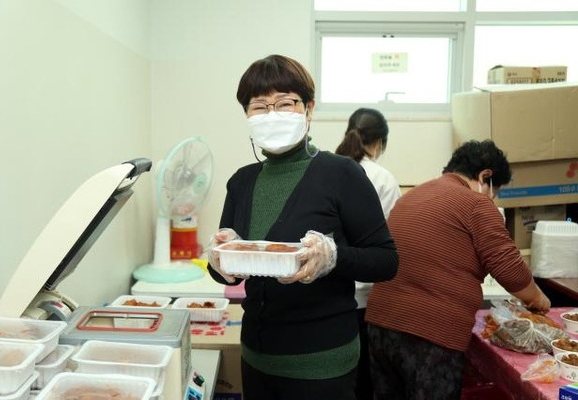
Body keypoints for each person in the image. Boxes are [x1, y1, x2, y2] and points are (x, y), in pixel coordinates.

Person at [207, 54, 399, 400]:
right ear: (247, 115)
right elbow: (224, 274)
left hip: (322, 363)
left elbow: (386, 261)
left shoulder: (341, 174)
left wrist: (333, 257)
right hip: (257, 357)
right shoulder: (241, 182)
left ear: (309, 109)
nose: (272, 115)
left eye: (285, 103)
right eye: (260, 107)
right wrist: (221, 259)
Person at [365, 139, 551, 400]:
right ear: (485, 176)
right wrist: (538, 299)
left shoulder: (414, 195)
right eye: (494, 190)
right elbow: (510, 269)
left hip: (381, 325)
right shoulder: (475, 203)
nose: (491, 198)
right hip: (429, 335)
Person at [335, 107, 401, 400]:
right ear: (380, 143)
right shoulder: (383, 179)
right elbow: (390, 241)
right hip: (364, 300)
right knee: (361, 382)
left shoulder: (326, 168)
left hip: (324, 292)